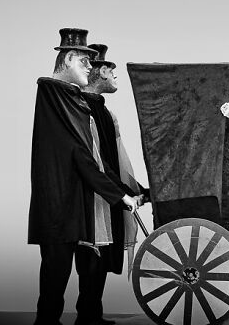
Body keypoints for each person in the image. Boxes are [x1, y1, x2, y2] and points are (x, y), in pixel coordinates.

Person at [29, 28, 140, 325]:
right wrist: (119, 194)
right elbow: (83, 157)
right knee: (56, 275)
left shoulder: (72, 100)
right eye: (84, 61)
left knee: (77, 269)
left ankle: (85, 318)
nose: (90, 68)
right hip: (58, 204)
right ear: (67, 59)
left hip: (74, 203)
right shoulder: (56, 96)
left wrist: (123, 191)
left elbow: (95, 158)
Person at [81, 43, 151, 325]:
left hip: (109, 191)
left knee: (101, 254)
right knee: (91, 253)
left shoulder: (106, 112)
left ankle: (90, 315)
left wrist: (134, 190)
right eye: (111, 69)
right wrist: (122, 192)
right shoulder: (81, 108)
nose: (114, 74)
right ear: (100, 71)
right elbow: (95, 160)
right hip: (90, 192)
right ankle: (87, 317)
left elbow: (117, 158)